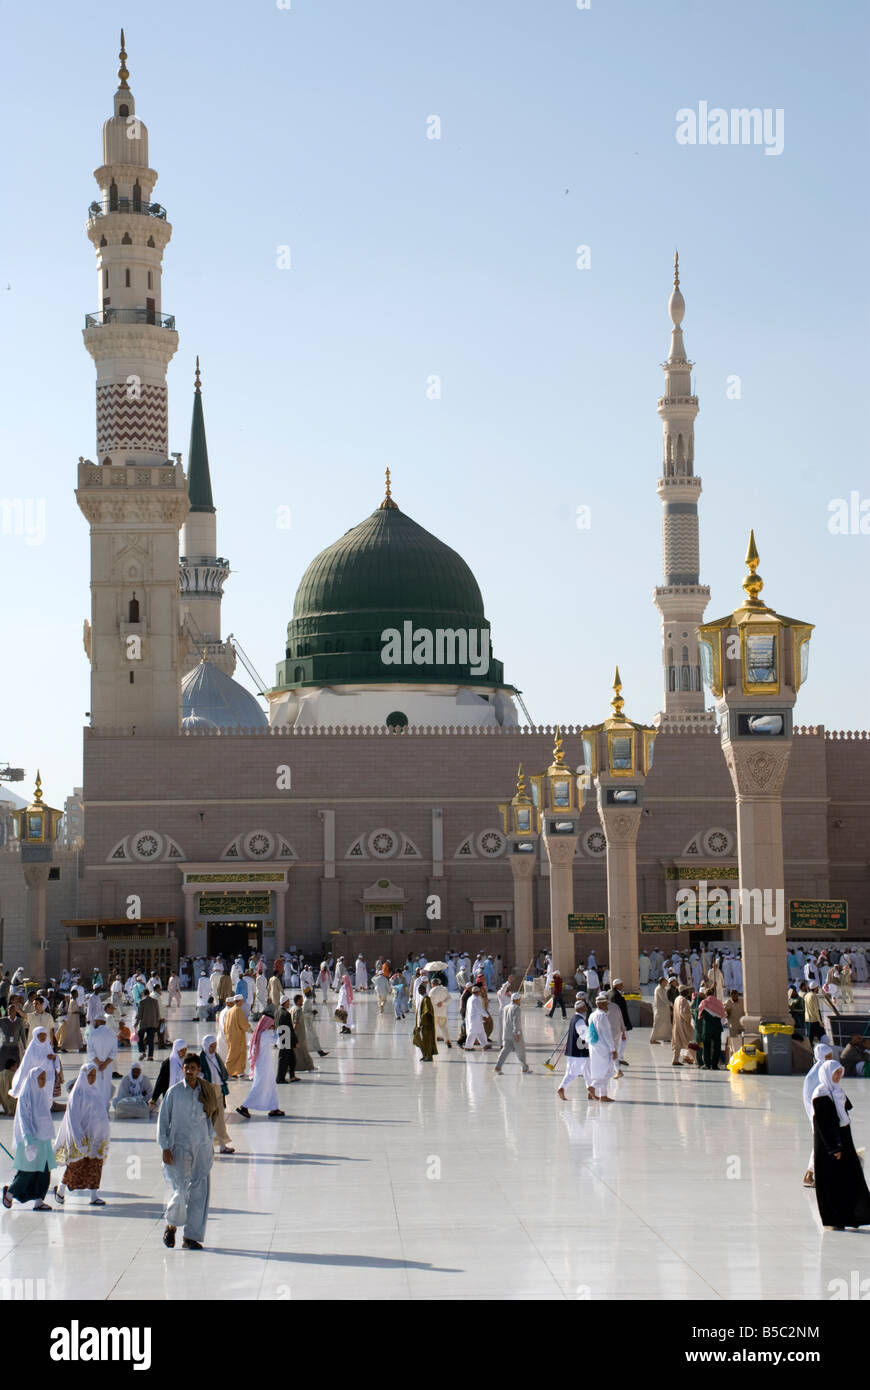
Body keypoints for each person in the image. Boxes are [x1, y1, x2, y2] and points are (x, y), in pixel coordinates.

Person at [158, 1052, 218, 1250]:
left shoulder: (206, 1091)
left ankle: (191, 1236)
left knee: (200, 1190)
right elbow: (163, 1121)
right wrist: (165, 1147)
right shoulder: (174, 1092)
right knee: (181, 1189)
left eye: (193, 1068)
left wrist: (210, 1142)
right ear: (182, 1069)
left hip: (201, 1145)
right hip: (180, 1146)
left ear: (198, 1070)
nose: (190, 1072)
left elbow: (210, 1118)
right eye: (186, 1068)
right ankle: (172, 1225)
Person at [812, 1059, 870, 1231]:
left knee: (850, 1178)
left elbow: (845, 1110)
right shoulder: (821, 1093)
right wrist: (834, 1148)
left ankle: (852, 1216)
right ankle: (833, 1219)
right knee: (831, 1181)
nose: (838, 1076)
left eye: (840, 1073)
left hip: (843, 1138)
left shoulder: (837, 1091)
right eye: (835, 1073)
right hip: (828, 1145)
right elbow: (823, 1125)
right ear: (827, 1075)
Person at [53, 1062, 110, 1207]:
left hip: (96, 1136)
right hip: (81, 1136)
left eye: (94, 1075)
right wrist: (78, 1139)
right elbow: (72, 1117)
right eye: (89, 1075)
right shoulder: (77, 1093)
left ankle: (93, 1195)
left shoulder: (96, 1091)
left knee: (95, 1165)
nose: (92, 1078)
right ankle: (60, 1189)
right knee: (76, 1165)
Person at [2, 1065, 56, 1211]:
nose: (43, 1081)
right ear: (33, 1079)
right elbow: (23, 1120)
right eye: (41, 1078)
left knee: (44, 1171)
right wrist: (28, 1142)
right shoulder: (26, 1096)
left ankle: (39, 1200)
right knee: (28, 1172)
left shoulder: (42, 1094)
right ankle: (10, 1194)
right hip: (31, 1140)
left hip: (43, 1140)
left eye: (44, 1078)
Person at [236, 1014, 285, 1118]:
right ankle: (244, 1107)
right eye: (271, 1024)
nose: (271, 1026)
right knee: (258, 1087)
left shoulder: (257, 1034)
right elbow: (276, 1041)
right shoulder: (265, 1034)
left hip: (262, 1064)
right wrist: (278, 1031)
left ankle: (274, 1108)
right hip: (264, 1066)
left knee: (271, 1086)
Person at [557, 997, 591, 1100]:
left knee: (587, 1071)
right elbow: (585, 1036)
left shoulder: (574, 1018)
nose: (586, 1009)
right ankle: (562, 1087)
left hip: (576, 1052)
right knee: (573, 1073)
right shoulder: (579, 1021)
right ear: (580, 1009)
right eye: (584, 1007)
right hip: (579, 1052)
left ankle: (590, 1091)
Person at [587, 993, 617, 1101]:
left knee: (600, 1071)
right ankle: (593, 1086)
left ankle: (603, 1095)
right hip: (603, 1047)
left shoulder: (592, 1015)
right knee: (608, 1071)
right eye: (606, 1004)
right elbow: (607, 1034)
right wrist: (613, 1049)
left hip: (594, 1046)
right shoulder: (602, 1016)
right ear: (602, 1004)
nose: (607, 1006)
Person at [494, 993, 530, 1075]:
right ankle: (524, 1068)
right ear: (517, 1000)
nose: (520, 1001)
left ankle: (498, 1067)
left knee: (504, 1051)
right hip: (514, 1034)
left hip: (506, 1033)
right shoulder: (517, 1008)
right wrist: (517, 1033)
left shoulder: (506, 1007)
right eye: (519, 999)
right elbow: (516, 1022)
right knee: (521, 1051)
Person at [222, 995, 251, 1077]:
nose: (243, 1002)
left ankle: (236, 1071)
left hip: (230, 1036)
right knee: (236, 1054)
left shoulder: (230, 1010)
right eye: (242, 1001)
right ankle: (230, 1070)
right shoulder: (238, 1010)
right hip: (237, 1037)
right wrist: (250, 1029)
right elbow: (243, 1023)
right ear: (239, 1001)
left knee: (232, 1053)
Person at [697, 989, 726, 1070]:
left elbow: (700, 1013)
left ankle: (707, 1064)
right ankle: (715, 1065)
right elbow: (723, 1015)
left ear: (706, 994)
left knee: (706, 1046)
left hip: (707, 1028)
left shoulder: (704, 1002)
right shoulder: (719, 1003)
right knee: (717, 1047)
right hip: (717, 1028)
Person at [412, 981, 438, 1062]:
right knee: (421, 1040)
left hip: (426, 1025)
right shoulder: (422, 998)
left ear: (424, 989)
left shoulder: (426, 999)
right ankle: (425, 1054)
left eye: (420, 989)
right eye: (418, 989)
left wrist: (421, 1023)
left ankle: (429, 1056)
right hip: (421, 1024)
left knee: (427, 1040)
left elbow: (426, 1012)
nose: (419, 990)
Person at [276, 996, 299, 1082]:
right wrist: (295, 1041)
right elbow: (290, 1029)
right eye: (288, 1001)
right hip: (286, 1039)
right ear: (285, 1002)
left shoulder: (278, 1012)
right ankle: (280, 1078)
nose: (289, 1003)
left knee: (292, 1059)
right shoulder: (286, 1014)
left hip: (282, 1037)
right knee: (283, 1059)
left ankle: (292, 1076)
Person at [671, 987, 696, 1067]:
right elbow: (683, 1013)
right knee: (690, 1042)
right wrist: (691, 1014)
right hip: (683, 1025)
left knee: (677, 1043)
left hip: (677, 1024)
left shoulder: (677, 999)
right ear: (684, 991)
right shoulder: (683, 1000)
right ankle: (697, 1060)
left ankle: (675, 1060)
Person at [463, 987, 491, 1051]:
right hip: (475, 1019)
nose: (480, 992)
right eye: (479, 991)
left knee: (481, 1032)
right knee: (472, 1032)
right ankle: (468, 1047)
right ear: (477, 992)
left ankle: (484, 1045)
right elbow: (480, 1009)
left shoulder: (470, 998)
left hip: (474, 1018)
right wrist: (487, 1016)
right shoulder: (475, 999)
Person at [429, 978, 452, 1048]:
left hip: (434, 1013)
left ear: (433, 984)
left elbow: (430, 1001)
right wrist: (442, 1003)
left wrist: (436, 1004)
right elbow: (449, 999)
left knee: (434, 1028)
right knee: (444, 1027)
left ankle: (433, 1042)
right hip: (442, 1012)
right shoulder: (444, 989)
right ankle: (447, 1040)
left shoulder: (432, 990)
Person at [649, 978, 671, 1045]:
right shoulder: (658, 989)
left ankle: (665, 1038)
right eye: (665, 982)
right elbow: (664, 999)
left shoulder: (663, 988)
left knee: (665, 1024)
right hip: (660, 1010)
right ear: (661, 982)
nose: (666, 983)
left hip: (664, 1010)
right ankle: (652, 1039)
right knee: (657, 1024)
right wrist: (672, 1004)